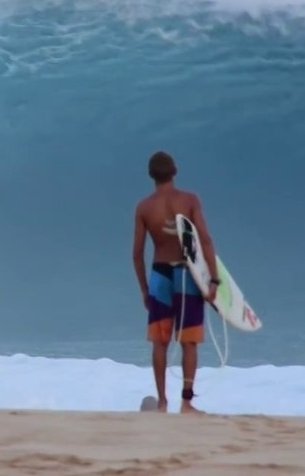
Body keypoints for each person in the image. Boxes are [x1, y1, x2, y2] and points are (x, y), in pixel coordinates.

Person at [132, 151, 218, 413]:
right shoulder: (189, 200)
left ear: (151, 176)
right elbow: (204, 239)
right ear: (175, 171)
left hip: (160, 274)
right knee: (188, 341)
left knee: (160, 342)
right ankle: (187, 402)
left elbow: (136, 253)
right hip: (186, 274)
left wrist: (145, 290)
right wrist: (213, 280)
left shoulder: (144, 207)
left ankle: (161, 402)